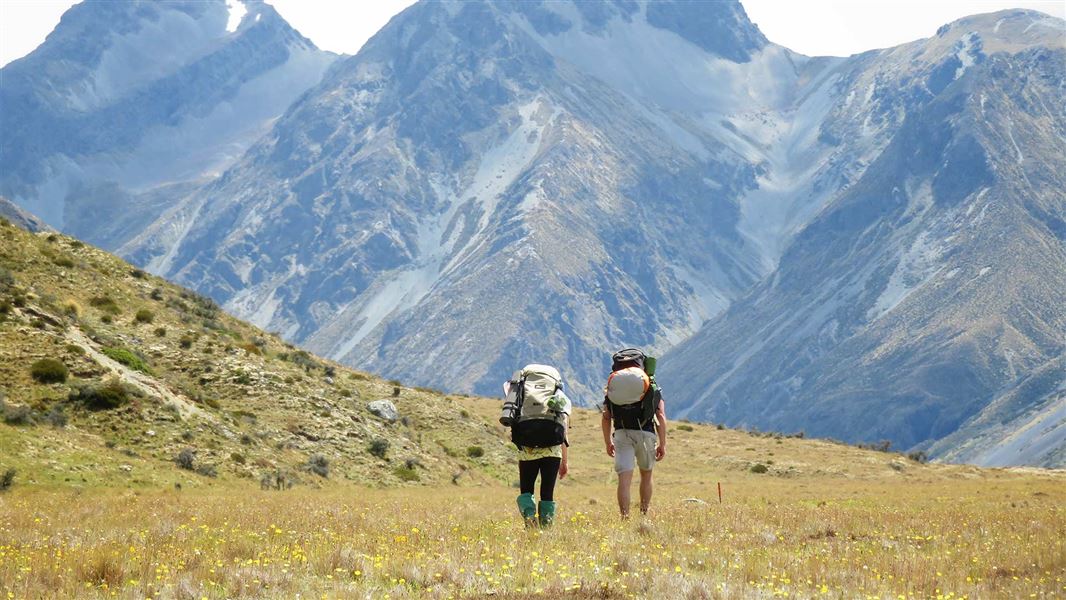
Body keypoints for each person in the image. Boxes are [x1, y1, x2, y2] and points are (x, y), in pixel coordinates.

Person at [502, 365, 572, 527]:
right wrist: (565, 461)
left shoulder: (522, 391)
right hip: (552, 449)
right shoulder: (558, 394)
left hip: (527, 447)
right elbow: (564, 430)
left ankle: (530, 524)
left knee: (526, 490)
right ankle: (546, 528)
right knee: (547, 493)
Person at [601, 349, 666, 518]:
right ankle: (644, 514)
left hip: (622, 434)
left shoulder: (613, 386)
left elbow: (606, 417)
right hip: (646, 434)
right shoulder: (650, 384)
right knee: (646, 474)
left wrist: (608, 441)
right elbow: (660, 415)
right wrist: (663, 444)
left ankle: (625, 516)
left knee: (624, 479)